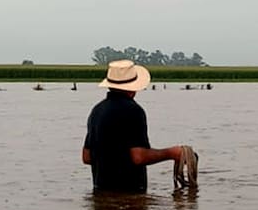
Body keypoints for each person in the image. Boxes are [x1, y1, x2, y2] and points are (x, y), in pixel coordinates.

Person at [82, 60, 195, 192]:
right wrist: (172, 153)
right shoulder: (134, 110)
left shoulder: (97, 110)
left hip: (100, 192)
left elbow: (87, 157)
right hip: (130, 193)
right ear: (133, 88)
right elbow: (138, 157)